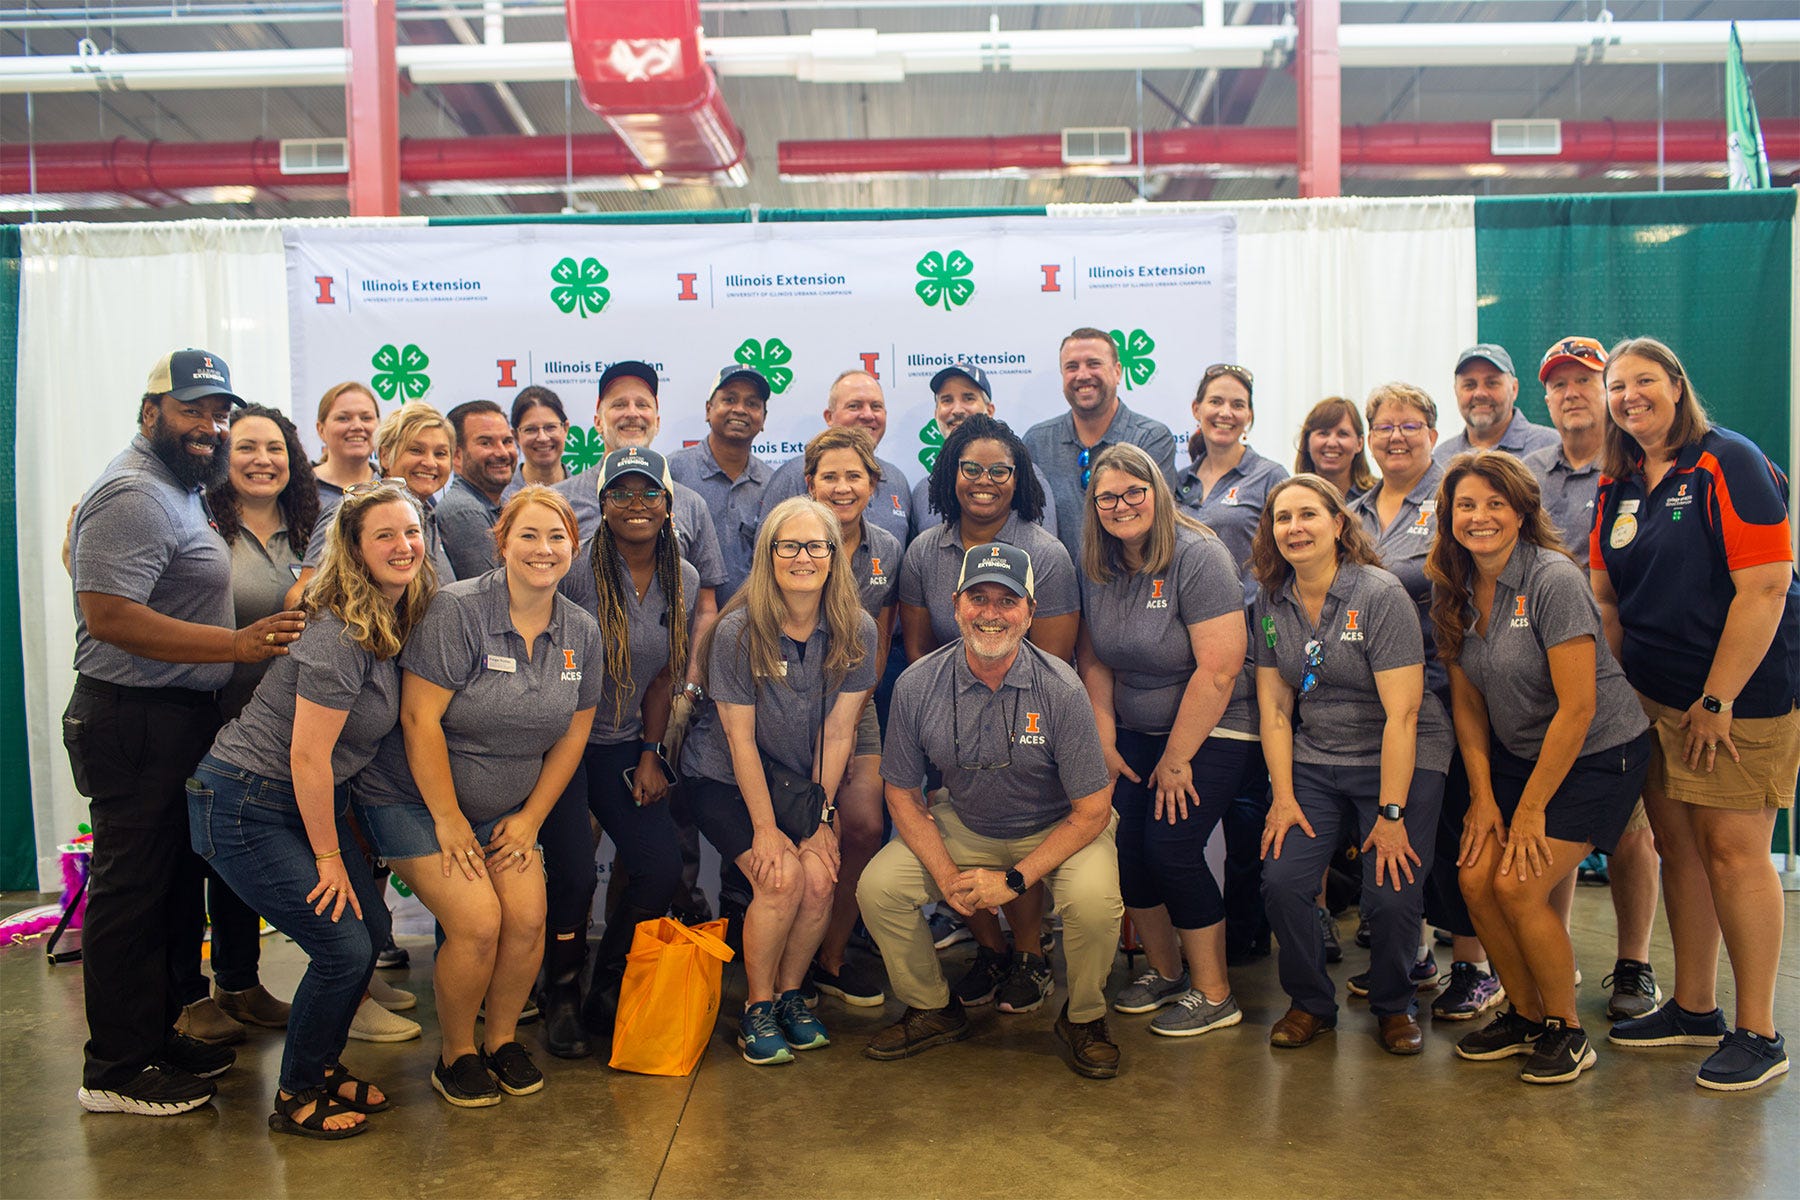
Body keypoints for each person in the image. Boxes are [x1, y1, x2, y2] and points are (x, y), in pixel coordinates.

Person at [66, 348, 306, 1117]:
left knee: (172, 893)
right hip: (133, 718)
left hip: (174, 718)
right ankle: (115, 1069)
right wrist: (233, 646)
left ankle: (157, 1035)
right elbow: (107, 615)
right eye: (192, 409)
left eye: (219, 412)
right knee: (132, 894)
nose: (210, 425)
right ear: (151, 412)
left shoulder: (180, 490)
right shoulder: (134, 492)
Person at [189, 479, 434, 1137]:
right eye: (384, 534)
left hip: (294, 803)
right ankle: (297, 1094)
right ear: (353, 548)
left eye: (411, 531)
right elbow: (308, 758)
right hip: (245, 802)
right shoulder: (340, 627)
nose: (403, 545)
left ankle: (322, 1068)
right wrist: (329, 856)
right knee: (342, 947)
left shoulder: (396, 613)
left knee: (367, 938)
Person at [1591, 337, 1799, 1092]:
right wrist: (1617, 701)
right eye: (1618, 386)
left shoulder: (1728, 460)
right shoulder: (1618, 483)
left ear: (1677, 385)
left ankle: (1760, 1031)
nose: (1629, 395)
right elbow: (1608, 600)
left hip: (1737, 701)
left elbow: (1767, 587)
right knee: (1679, 851)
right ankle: (1693, 1006)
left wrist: (1717, 700)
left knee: (1736, 856)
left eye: (1644, 380)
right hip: (1651, 697)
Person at [353, 487, 601, 1106]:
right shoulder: (456, 611)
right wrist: (447, 820)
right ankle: (457, 1053)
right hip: (411, 800)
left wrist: (529, 820)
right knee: (478, 922)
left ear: (574, 547)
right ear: (502, 542)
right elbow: (419, 720)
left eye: (557, 538)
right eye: (529, 536)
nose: (543, 550)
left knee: (527, 920)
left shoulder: (582, 630)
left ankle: (503, 1041)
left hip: (506, 811)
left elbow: (575, 733)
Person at [859, 543, 1124, 1078]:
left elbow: (1093, 810)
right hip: (966, 822)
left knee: (1095, 903)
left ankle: (1084, 1018)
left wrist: (1015, 881)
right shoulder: (916, 685)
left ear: (1029, 611)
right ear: (955, 604)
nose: (991, 613)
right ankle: (932, 1007)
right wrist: (945, 874)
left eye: (1008, 601)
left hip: (1058, 827)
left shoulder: (1061, 688)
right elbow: (903, 794)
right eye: (978, 597)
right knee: (879, 888)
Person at [1427, 452, 1652, 1084]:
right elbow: (1467, 703)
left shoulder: (1552, 577)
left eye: (1496, 503)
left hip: (1600, 752)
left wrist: (1528, 809)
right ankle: (1524, 1015)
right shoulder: (1454, 584)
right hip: (1517, 755)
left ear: (1523, 511)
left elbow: (1579, 708)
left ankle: (1568, 1030)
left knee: (1517, 887)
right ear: (1449, 518)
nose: (1480, 517)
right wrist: (1483, 798)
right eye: (1466, 505)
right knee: (1474, 882)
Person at [1254, 475, 1453, 1055]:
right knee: (1283, 882)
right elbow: (1273, 708)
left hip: (1399, 755)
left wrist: (1391, 814)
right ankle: (1310, 1002)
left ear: (1338, 524)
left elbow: (1405, 714)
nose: (1295, 528)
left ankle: (1395, 1005)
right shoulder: (1270, 602)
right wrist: (1282, 796)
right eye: (1282, 518)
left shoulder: (1379, 593)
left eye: (1308, 515)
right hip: (1315, 758)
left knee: (1392, 894)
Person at [679, 497, 879, 1065]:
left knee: (819, 876)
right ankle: (757, 1009)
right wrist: (766, 830)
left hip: (796, 781)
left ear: (834, 556)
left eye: (816, 546)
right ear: (768, 556)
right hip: (721, 777)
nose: (802, 557)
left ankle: (792, 995)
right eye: (788, 546)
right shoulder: (738, 629)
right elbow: (738, 740)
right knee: (780, 878)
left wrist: (819, 821)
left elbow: (839, 734)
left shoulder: (856, 628)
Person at [898, 414, 1080, 1012]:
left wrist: (1012, 713)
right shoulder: (927, 550)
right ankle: (991, 948)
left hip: (1029, 720)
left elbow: (1054, 656)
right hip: (948, 717)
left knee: (1015, 822)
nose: (984, 481)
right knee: (961, 828)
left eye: (999, 470)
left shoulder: (1045, 554)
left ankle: (1029, 954)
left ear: (1017, 478)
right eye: (970, 468)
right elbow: (919, 646)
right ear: (950, 475)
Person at [1076, 444, 1249, 1037]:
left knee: (1171, 848)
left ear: (1157, 491)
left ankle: (1216, 993)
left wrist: (1177, 759)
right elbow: (1093, 655)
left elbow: (1220, 668)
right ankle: (1165, 971)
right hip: (1134, 730)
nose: (1121, 506)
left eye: (1134, 492)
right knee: (1125, 848)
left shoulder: (1198, 555)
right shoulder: (1099, 563)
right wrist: (1103, 735)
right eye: (1108, 497)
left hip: (1215, 726)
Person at [1522, 336, 1663, 1022]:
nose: (1572, 392)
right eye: (1559, 384)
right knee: (1558, 827)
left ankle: (1633, 963)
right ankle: (1559, 960)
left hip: (1622, 679)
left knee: (1631, 828)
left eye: (1585, 380)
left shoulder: (1636, 468)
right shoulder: (1529, 471)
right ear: (1543, 397)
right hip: (1539, 679)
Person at [1349, 382, 1500, 1020]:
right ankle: (1411, 952)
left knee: (1460, 827)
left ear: (1433, 435)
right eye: (1383, 427)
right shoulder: (1351, 511)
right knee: (1403, 834)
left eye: (1410, 425)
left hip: (1447, 691)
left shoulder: (1453, 503)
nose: (1396, 437)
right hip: (1371, 702)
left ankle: (1475, 964)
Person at [542, 448, 697, 1058]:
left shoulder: (678, 573)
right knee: (576, 876)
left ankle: (606, 986)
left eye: (648, 493)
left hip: (623, 744)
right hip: (561, 746)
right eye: (622, 494)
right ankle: (559, 994)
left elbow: (664, 675)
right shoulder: (575, 571)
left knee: (658, 867)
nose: (636, 505)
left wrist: (654, 753)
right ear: (600, 505)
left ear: (667, 503)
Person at [184, 404, 321, 1039]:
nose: (262, 459)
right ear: (221, 457)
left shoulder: (309, 528)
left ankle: (239, 983)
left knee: (240, 862)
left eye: (275, 448)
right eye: (246, 448)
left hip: (278, 726)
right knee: (188, 863)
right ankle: (188, 996)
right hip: (198, 714)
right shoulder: (199, 524)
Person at [804, 427, 901, 1007]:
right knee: (799, 824)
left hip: (855, 703)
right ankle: (788, 961)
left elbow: (883, 636)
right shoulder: (788, 537)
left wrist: (854, 706)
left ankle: (831, 957)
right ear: (810, 484)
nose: (842, 487)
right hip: (786, 710)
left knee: (863, 823)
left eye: (854, 476)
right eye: (829, 476)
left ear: (873, 483)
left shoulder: (887, 549)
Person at [1023, 326, 1178, 566]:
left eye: (1093, 364)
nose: (1082, 375)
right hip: (1058, 595)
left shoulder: (1151, 439)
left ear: (1117, 372)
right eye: (1072, 367)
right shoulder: (1037, 442)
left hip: (1129, 590)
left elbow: (1160, 528)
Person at [291, 403, 458, 603]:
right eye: (416, 450)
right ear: (385, 456)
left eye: (440, 454)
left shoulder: (428, 511)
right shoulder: (353, 508)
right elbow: (300, 596)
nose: (430, 463)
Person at [759, 369, 918, 548]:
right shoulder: (792, 475)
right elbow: (764, 553)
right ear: (829, 417)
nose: (867, 415)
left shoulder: (897, 480)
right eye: (854, 406)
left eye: (876, 406)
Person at [1173, 363, 1288, 599]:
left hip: (1248, 622)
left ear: (1249, 416)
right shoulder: (1178, 480)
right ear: (1197, 409)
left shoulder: (1270, 477)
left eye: (1237, 405)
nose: (1226, 413)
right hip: (1184, 621)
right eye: (1216, 401)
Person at [909, 362, 1057, 539]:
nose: (957, 410)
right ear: (936, 413)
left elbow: (1043, 549)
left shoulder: (1023, 477)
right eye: (947, 400)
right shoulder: (923, 490)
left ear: (990, 410)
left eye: (968, 398)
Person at [668, 364, 776, 605]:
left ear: (763, 418)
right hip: (680, 624)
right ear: (708, 410)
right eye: (729, 399)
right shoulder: (672, 473)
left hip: (753, 625)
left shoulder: (772, 484)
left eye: (752, 404)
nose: (740, 410)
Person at [1433, 343, 1560, 465]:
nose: (1480, 393)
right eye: (1469, 385)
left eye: (1492, 383)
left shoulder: (1553, 448)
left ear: (1514, 389)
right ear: (1456, 391)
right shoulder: (1441, 458)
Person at [436, 400, 518, 580]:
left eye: (507, 441)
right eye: (486, 443)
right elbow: (489, 594)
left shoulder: (496, 505)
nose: (502, 452)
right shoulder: (464, 511)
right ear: (456, 456)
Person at [1294, 396, 1375, 503]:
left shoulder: (1377, 497)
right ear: (1306, 442)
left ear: (1359, 443)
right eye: (1323, 433)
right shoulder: (1292, 498)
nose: (1332, 443)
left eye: (1343, 434)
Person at [311, 382, 382, 502]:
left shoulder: (392, 487)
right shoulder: (299, 487)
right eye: (343, 418)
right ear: (321, 429)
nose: (357, 426)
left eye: (366, 418)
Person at [506, 386, 572, 495]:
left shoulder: (590, 495)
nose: (542, 438)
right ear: (515, 436)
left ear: (565, 428)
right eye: (530, 429)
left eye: (550, 427)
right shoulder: (501, 499)